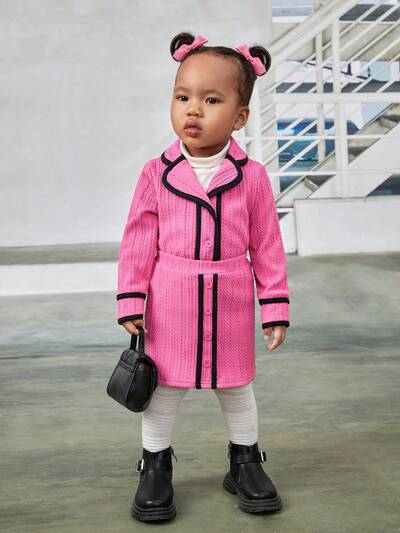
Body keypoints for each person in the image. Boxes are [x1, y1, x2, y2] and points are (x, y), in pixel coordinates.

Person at [116, 32, 291, 523]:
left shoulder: (252, 177)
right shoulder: (156, 173)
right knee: (163, 388)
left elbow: (268, 245)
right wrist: (131, 298)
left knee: (236, 386)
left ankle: (245, 462)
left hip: (231, 298)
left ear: (240, 117)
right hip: (169, 300)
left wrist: (274, 306)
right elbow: (138, 239)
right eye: (183, 97)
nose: (193, 109)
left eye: (212, 100)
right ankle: (155, 466)